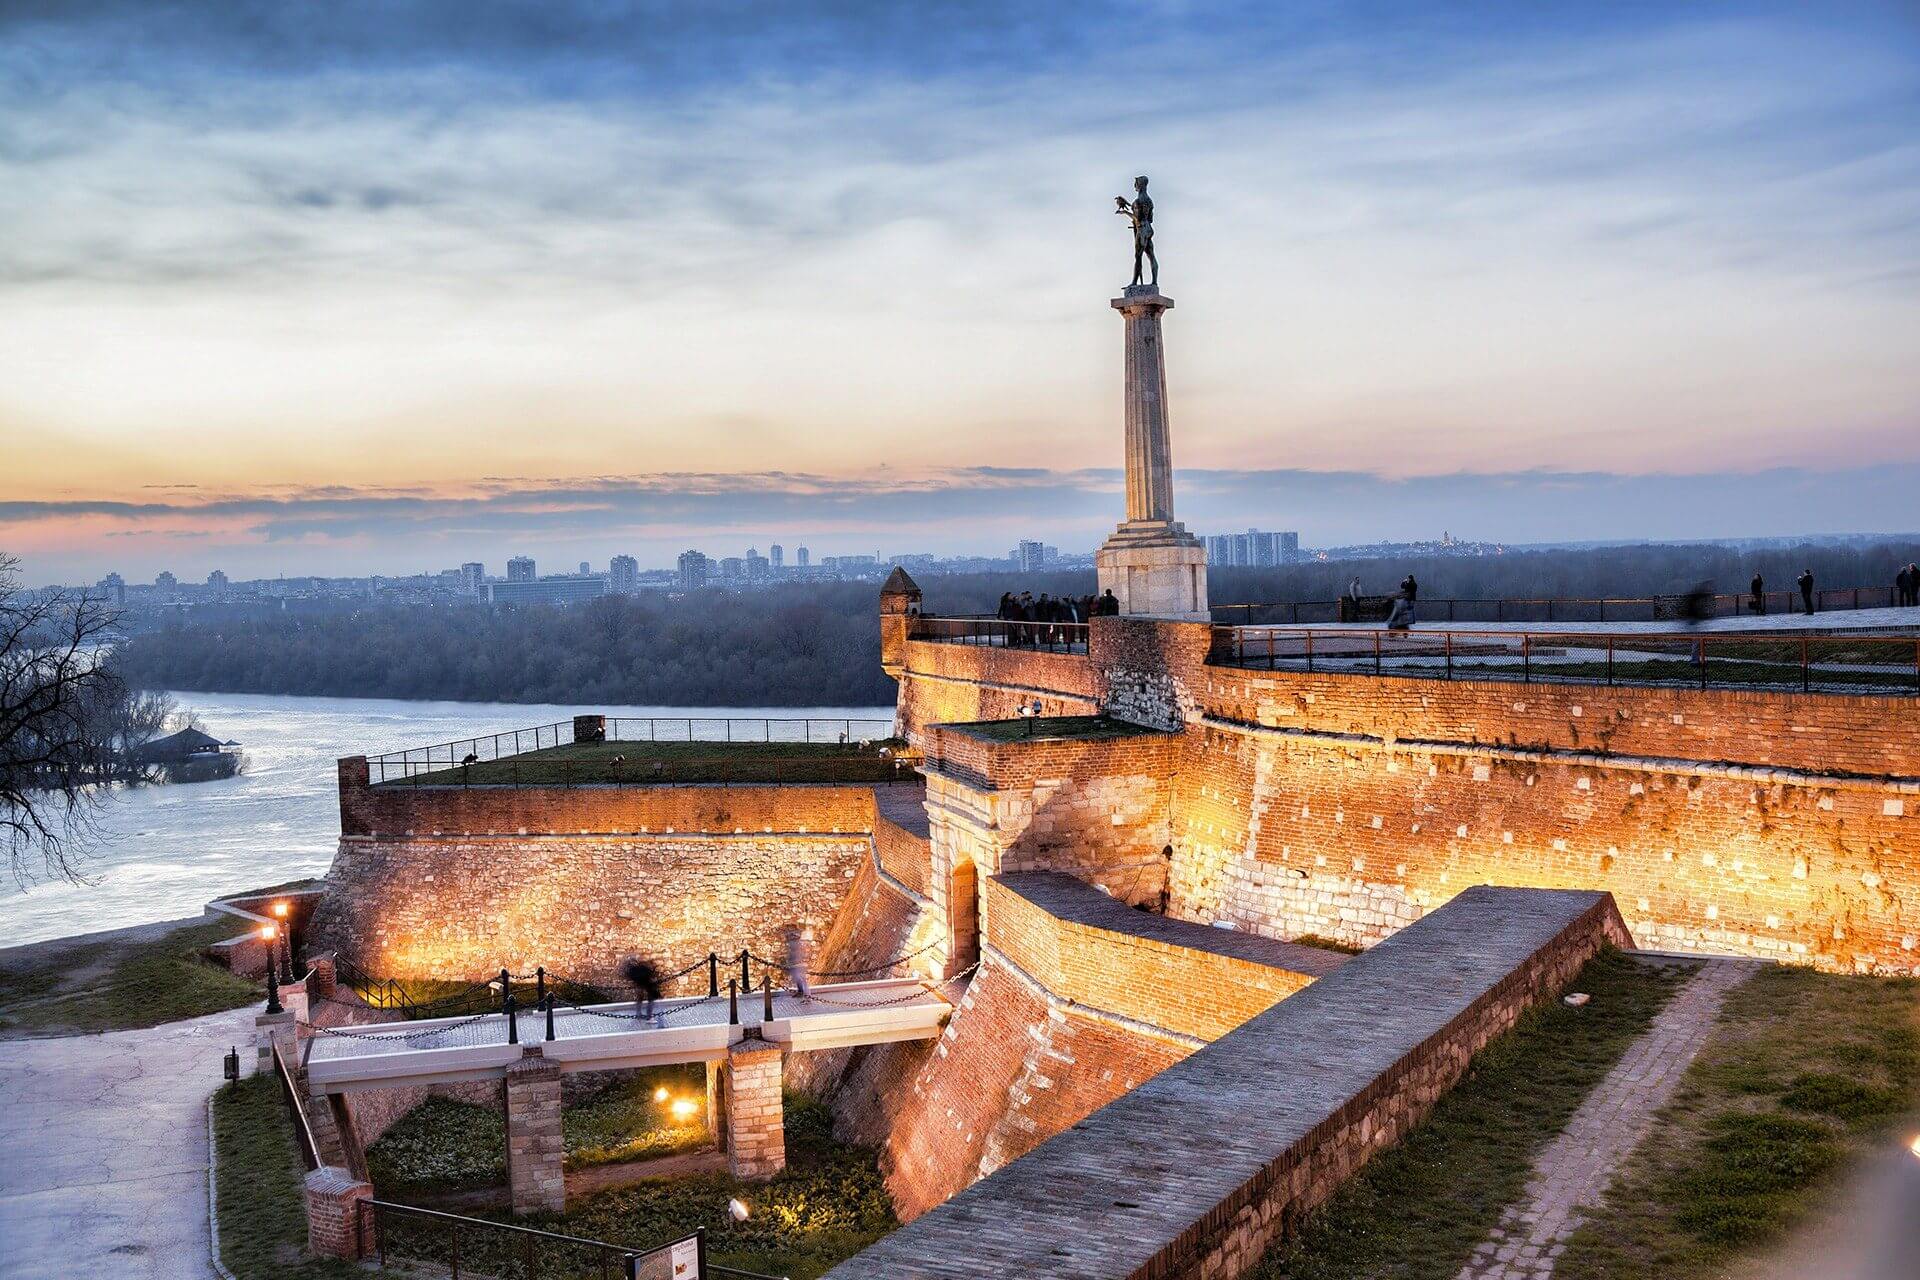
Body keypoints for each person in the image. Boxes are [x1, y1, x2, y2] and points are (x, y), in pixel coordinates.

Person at [621, 956, 664, 1025]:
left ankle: (639, 1014)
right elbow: (649, 977)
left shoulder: (634, 969)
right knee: (650, 1001)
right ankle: (649, 1017)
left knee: (640, 999)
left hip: (639, 985)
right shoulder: (644, 968)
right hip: (647, 986)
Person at [783, 927, 812, 1000]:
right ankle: (801, 992)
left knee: (802, 980)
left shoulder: (796, 945)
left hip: (798, 965)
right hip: (795, 964)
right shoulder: (796, 945)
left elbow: (796, 955)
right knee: (798, 979)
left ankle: (807, 996)